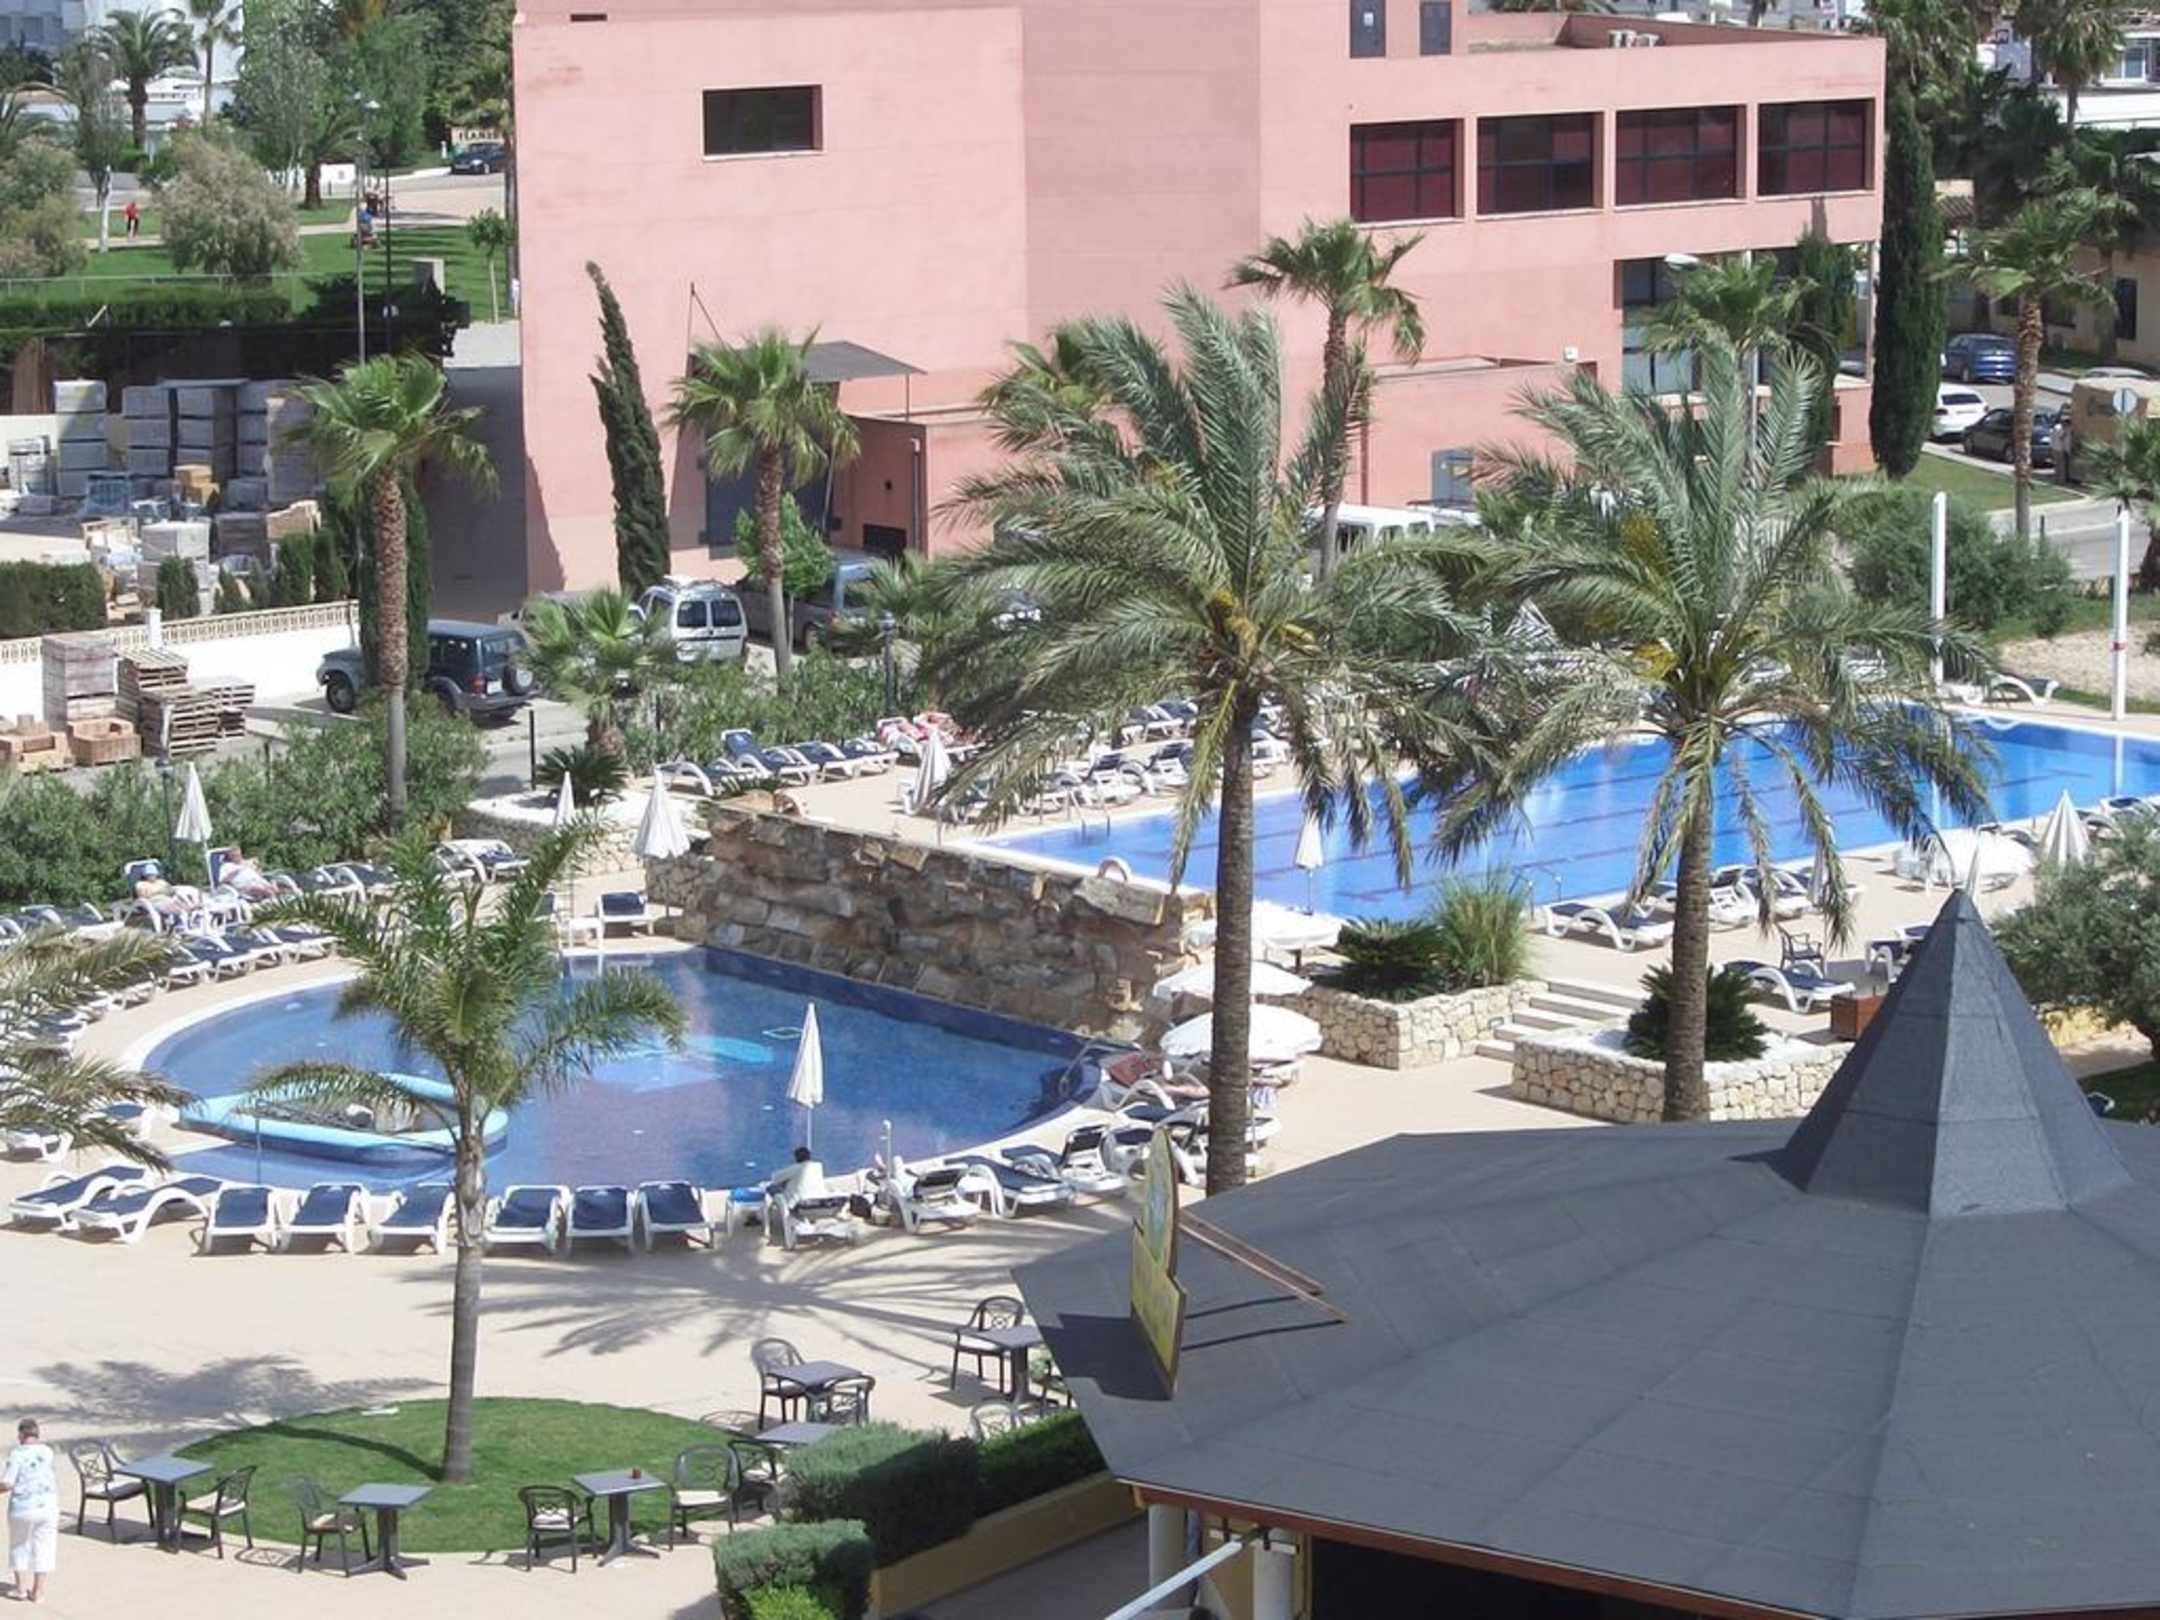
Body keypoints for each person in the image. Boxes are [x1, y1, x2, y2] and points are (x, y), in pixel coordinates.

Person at [0, 1419, 59, 1603]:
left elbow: (7, 1483)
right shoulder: (48, 1452)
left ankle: (20, 1589)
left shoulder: (17, 1454)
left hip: (23, 1508)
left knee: (19, 1546)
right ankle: (38, 1592)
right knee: (45, 1547)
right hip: (48, 1506)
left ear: (21, 1435)